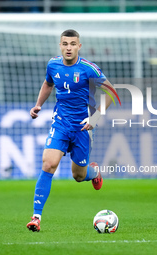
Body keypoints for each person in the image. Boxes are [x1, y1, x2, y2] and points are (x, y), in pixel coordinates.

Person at [26, 29, 116, 232]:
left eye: (73, 44)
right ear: (60, 45)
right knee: (49, 164)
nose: (69, 48)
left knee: (78, 175)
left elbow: (111, 91)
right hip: (60, 124)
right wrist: (38, 104)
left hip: (83, 128)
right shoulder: (53, 64)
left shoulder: (88, 69)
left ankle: (94, 172)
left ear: (79, 46)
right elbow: (48, 84)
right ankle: (36, 217)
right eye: (65, 43)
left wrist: (96, 117)